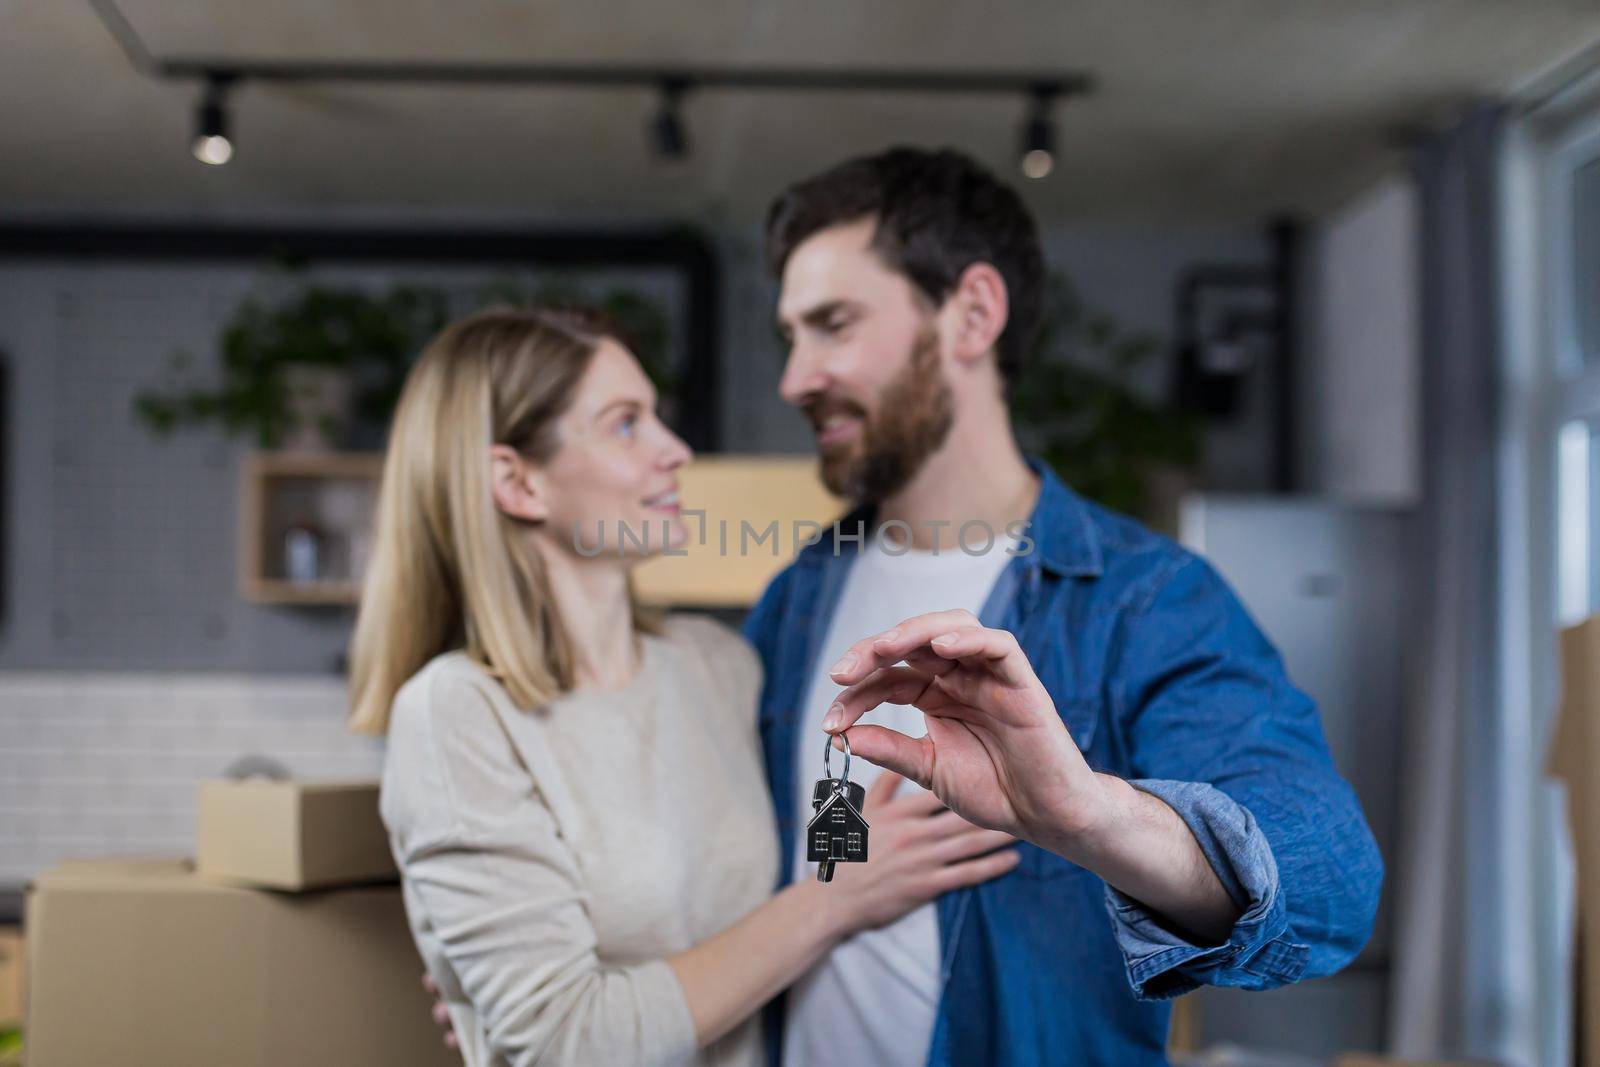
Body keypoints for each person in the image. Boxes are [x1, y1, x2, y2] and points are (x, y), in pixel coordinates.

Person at [739, 146, 1384, 1066]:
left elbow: (1332, 882)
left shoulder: (1146, 600)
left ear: (971, 314)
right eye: (790, 337)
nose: (795, 377)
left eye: (833, 324)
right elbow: (809, 846)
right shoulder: (797, 599)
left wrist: (1087, 815)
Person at [347, 306, 1020, 1067]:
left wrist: (848, 856)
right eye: (626, 423)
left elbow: (800, 844)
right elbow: (565, 1043)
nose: (676, 450)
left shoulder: (717, 666)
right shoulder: (456, 712)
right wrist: (836, 900)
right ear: (518, 481)